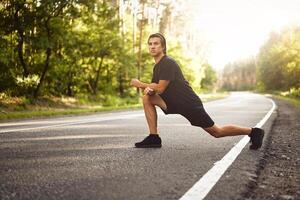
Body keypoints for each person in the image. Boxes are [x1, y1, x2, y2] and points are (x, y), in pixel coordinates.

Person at [130, 33, 264, 149]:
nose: (152, 46)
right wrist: (149, 91)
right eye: (150, 44)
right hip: (172, 102)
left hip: (189, 104)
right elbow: (156, 87)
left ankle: (253, 132)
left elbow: (160, 87)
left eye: (156, 44)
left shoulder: (168, 62)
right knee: (147, 98)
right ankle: (154, 137)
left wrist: (139, 84)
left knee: (217, 132)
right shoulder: (158, 66)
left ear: (163, 47)